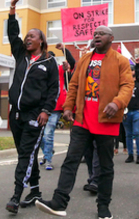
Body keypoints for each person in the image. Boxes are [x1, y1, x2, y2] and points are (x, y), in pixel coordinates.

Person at [36, 25, 134, 219]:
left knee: (105, 167)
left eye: (101, 33)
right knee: (71, 160)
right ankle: (59, 202)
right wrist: (67, 107)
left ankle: (103, 207)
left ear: (111, 38)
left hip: (106, 121)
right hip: (82, 120)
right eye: (95, 33)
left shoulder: (120, 61)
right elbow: (74, 85)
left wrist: (117, 102)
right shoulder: (85, 59)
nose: (97, 35)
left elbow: (127, 85)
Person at [5, 0, 60, 213]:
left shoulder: (49, 62)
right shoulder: (20, 55)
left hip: (35, 116)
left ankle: (16, 196)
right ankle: (35, 190)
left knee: (26, 156)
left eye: (32, 36)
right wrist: (12, 9)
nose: (27, 39)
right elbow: (12, 33)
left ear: (41, 42)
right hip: (15, 115)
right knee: (25, 155)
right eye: (26, 36)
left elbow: (53, 89)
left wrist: (46, 110)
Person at [40, 43, 75, 171]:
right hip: (40, 107)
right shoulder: (40, 70)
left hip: (55, 107)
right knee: (39, 135)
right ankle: (47, 151)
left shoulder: (59, 70)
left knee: (48, 134)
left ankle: (48, 160)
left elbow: (70, 62)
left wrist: (64, 51)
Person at [124, 65, 139, 164]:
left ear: (133, 72)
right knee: (128, 134)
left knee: (137, 132)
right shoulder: (124, 84)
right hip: (126, 111)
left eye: (130, 71)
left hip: (137, 111)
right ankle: (130, 155)